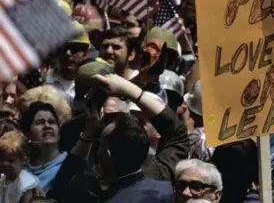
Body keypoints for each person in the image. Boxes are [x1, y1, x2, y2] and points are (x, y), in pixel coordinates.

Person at [52, 74, 189, 202]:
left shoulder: (85, 187)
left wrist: (88, 132)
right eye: (104, 120)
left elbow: (63, 185)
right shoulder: (160, 180)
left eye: (117, 118)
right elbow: (177, 133)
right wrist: (130, 90)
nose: (105, 125)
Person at [20, 102, 67, 195]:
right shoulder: (20, 170)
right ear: (28, 134)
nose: (47, 126)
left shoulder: (69, 163)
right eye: (40, 123)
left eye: (52, 122)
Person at [46, 22, 91, 105]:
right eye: (63, 48)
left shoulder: (91, 88)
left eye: (74, 48)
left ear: (86, 54)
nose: (68, 53)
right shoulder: (43, 83)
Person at [0, 130, 43, 202]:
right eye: (1, 159)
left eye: (10, 160)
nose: (4, 163)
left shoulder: (26, 183)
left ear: (23, 160)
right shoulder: (3, 179)